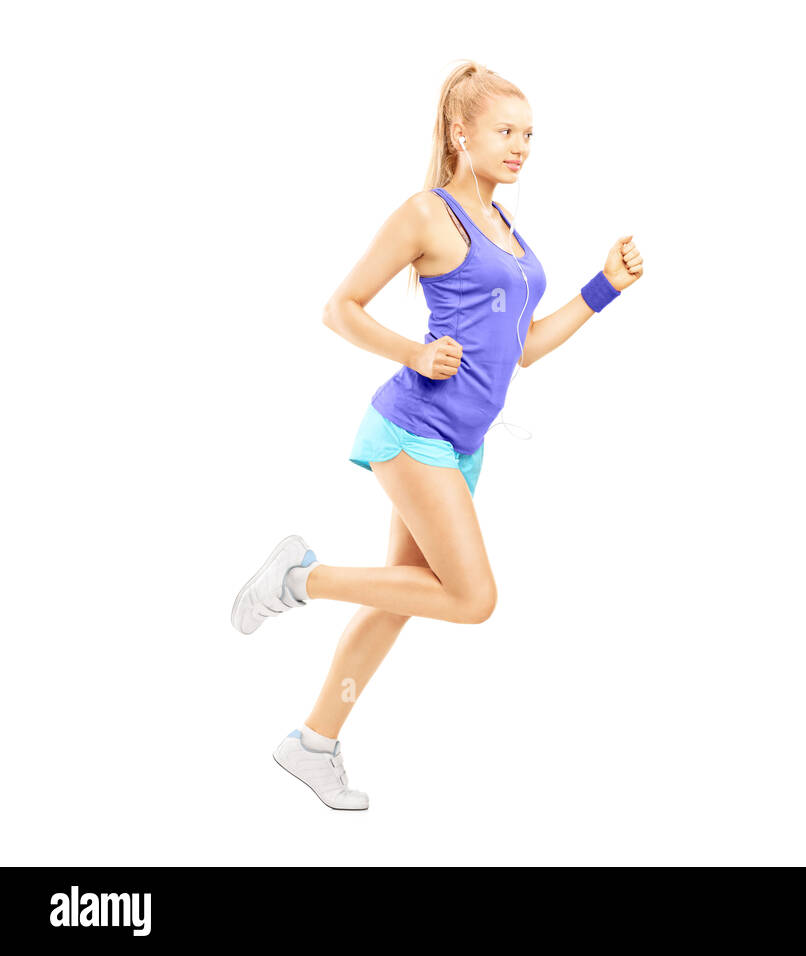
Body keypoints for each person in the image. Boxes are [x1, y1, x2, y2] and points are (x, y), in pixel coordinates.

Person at [229, 60, 644, 810]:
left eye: (528, 134)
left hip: (460, 445)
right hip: (412, 429)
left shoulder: (505, 226)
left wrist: (603, 287)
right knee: (472, 596)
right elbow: (340, 307)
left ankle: (312, 744)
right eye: (505, 131)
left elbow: (521, 349)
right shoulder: (428, 214)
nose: (521, 147)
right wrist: (415, 352)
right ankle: (300, 579)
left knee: (403, 598)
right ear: (461, 132)